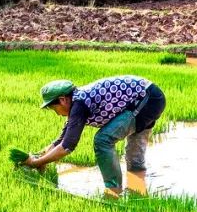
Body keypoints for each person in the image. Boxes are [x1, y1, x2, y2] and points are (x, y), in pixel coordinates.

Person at [23, 75, 166, 198]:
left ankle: (113, 191)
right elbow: (62, 140)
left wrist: (37, 163)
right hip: (148, 98)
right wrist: (40, 156)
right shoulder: (78, 101)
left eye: (54, 109)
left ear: (62, 100)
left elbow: (67, 146)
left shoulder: (79, 104)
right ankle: (137, 189)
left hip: (147, 100)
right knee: (134, 160)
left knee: (103, 140)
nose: (57, 113)